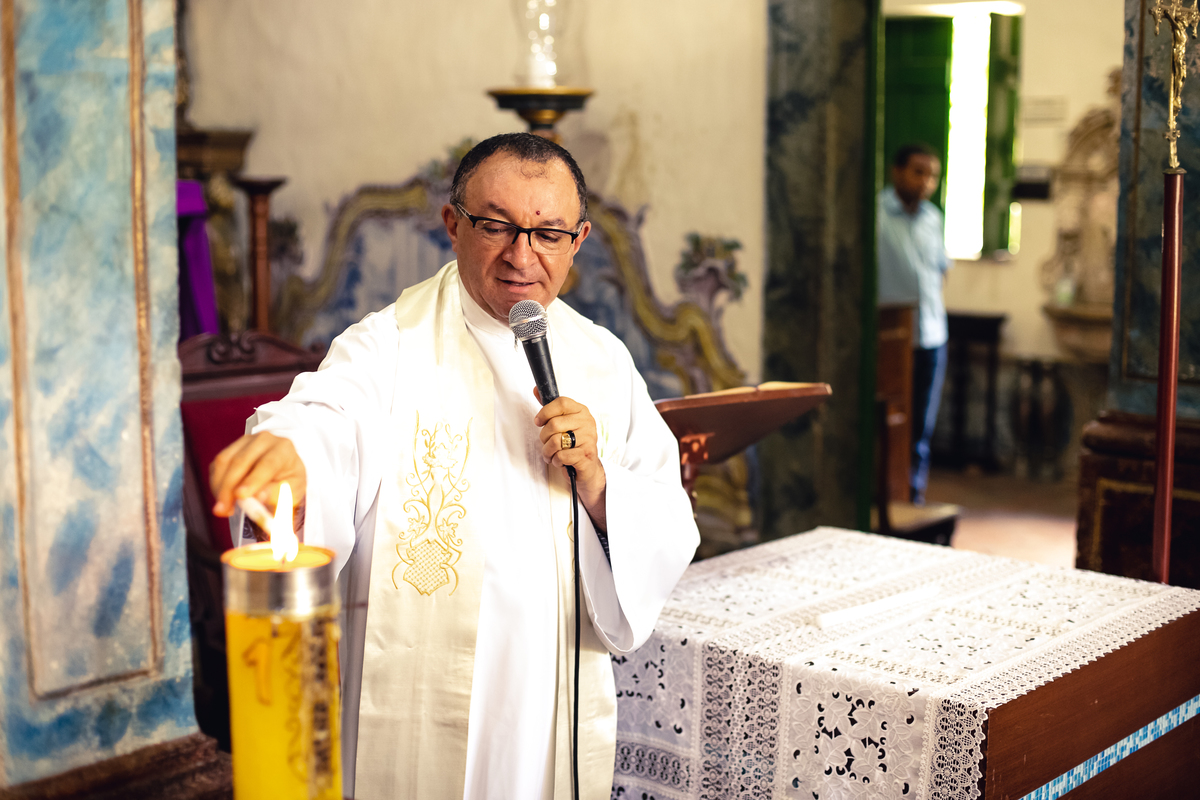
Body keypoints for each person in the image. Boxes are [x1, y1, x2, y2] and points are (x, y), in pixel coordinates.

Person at [208, 133, 700, 800]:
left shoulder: (603, 360)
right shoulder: (392, 344)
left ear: (577, 240)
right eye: (496, 225)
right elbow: (332, 410)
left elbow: (666, 514)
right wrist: (295, 449)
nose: (522, 254)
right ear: (452, 224)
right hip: (416, 683)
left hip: (547, 690)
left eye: (547, 232)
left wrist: (601, 481)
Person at [877, 143, 950, 505]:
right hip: (891, 336)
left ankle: (913, 498)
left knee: (921, 426)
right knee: (889, 422)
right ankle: (884, 497)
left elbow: (940, 271)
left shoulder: (933, 219)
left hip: (933, 335)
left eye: (932, 175)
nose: (925, 181)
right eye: (918, 171)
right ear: (897, 172)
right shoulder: (876, 215)